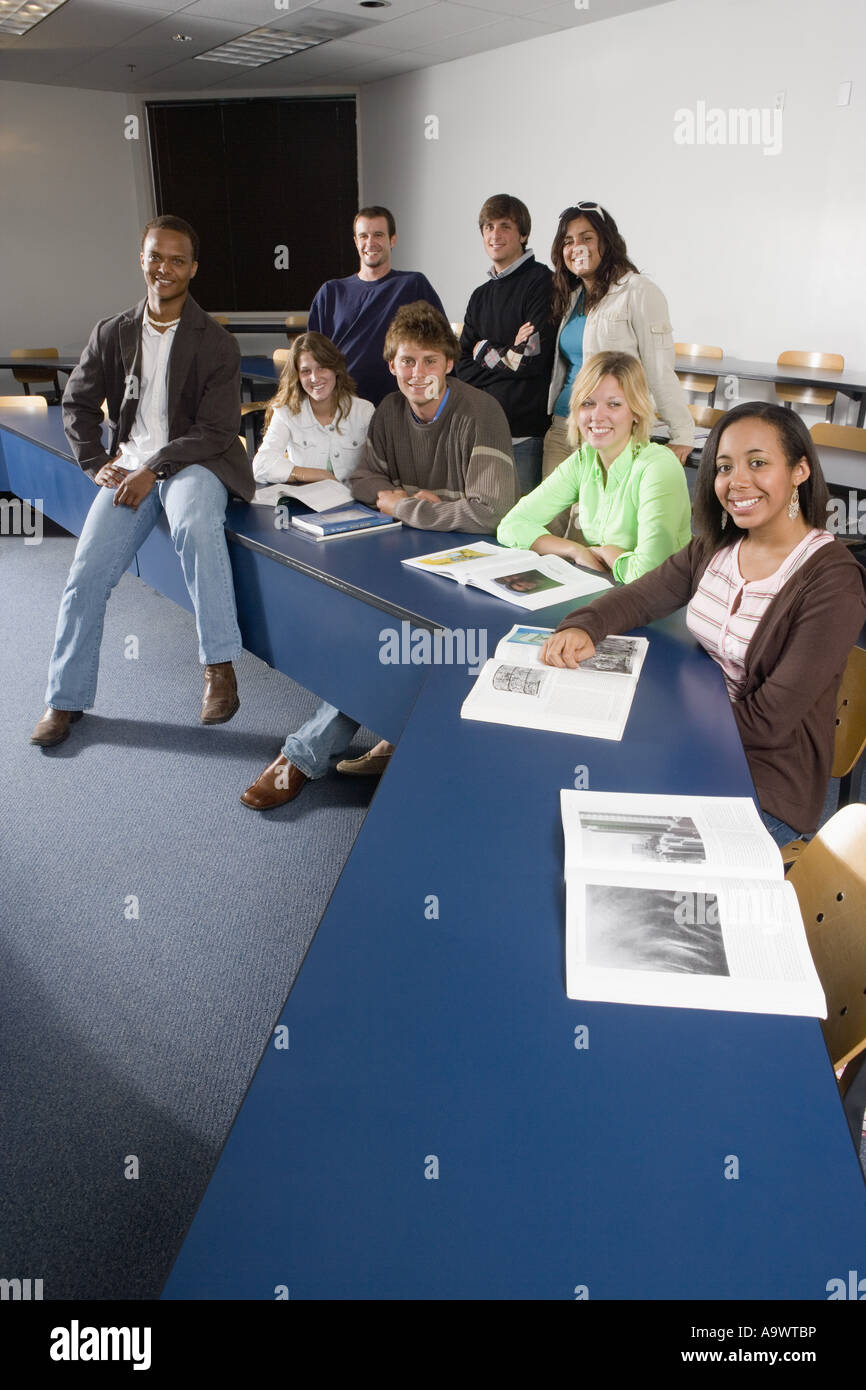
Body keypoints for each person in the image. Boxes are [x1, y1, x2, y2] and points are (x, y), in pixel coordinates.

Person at [542, 402, 866, 845]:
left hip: (761, 781)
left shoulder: (832, 582)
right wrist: (582, 625)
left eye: (758, 463)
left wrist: (658, 725)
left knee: (613, 842)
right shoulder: (715, 547)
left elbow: (767, 723)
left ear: (800, 470)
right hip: (696, 741)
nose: (737, 482)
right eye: (724, 467)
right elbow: (640, 597)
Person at [240, 302, 518, 810]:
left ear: (450, 363)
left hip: (474, 563)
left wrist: (402, 500)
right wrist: (419, 500)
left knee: (385, 644)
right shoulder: (389, 411)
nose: (418, 374)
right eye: (407, 362)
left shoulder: (482, 412)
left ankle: (303, 755)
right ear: (391, 366)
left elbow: (488, 512)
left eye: (430, 361)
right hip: (408, 549)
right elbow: (366, 481)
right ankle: (393, 732)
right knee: (370, 630)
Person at [30, 215, 254, 748]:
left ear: (193, 269)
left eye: (178, 260)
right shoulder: (113, 332)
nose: (165, 268)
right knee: (85, 573)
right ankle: (65, 697)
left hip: (195, 462)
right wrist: (95, 462)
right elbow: (78, 405)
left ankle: (219, 666)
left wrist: (155, 469)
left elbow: (217, 429)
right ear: (142, 259)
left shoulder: (216, 342)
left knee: (197, 524)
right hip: (130, 465)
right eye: (156, 256)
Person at [498, 351, 691, 584]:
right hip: (610, 591)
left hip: (664, 603)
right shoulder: (584, 460)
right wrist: (575, 550)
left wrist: (613, 557)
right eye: (588, 403)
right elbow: (511, 525)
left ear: (637, 412)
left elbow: (650, 573)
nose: (597, 416)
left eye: (614, 404)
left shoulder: (659, 467)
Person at [543, 202, 694, 486]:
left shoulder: (638, 291)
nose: (577, 247)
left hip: (610, 432)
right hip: (562, 428)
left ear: (606, 241)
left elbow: (659, 368)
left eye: (587, 238)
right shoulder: (573, 297)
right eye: (568, 241)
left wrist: (682, 433)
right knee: (551, 524)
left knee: (595, 527)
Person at [455, 194, 554, 495]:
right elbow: (461, 366)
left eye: (505, 226)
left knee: (521, 531)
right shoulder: (480, 295)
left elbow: (529, 359)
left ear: (523, 234)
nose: (495, 235)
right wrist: (506, 353)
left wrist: (481, 350)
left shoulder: (543, 283)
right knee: (483, 527)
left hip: (524, 434)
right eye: (488, 227)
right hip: (481, 432)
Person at [307, 206, 445, 407]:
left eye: (378, 235)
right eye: (363, 236)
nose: (370, 242)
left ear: (393, 239)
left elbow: (442, 343)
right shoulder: (331, 293)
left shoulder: (413, 285)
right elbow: (311, 355)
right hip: (341, 404)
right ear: (356, 242)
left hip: (399, 404)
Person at [251, 333, 374, 487]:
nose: (315, 378)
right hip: (309, 505)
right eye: (306, 371)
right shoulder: (285, 412)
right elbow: (261, 465)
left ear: (336, 369)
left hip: (355, 505)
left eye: (322, 368)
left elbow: (380, 468)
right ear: (297, 376)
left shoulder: (364, 411)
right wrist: (312, 474)